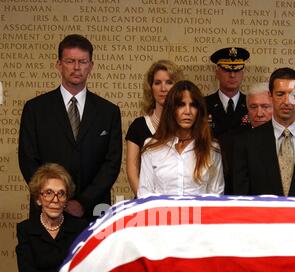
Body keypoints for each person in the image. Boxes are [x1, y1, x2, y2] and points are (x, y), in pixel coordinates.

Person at [18, 34, 122, 221]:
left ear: (91, 66)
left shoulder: (109, 111)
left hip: (94, 210)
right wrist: (54, 198)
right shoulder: (35, 109)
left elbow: (111, 163)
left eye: (82, 62)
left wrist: (83, 202)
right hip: (48, 210)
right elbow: (28, 159)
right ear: (59, 64)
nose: (76, 67)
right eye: (70, 61)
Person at [137, 80, 224, 198]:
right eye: (181, 105)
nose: (187, 111)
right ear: (171, 109)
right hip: (162, 215)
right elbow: (144, 195)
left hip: (199, 216)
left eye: (193, 105)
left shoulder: (212, 149)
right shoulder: (152, 147)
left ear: (199, 111)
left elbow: (215, 197)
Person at [233, 67, 295, 196]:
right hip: (261, 216)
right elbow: (241, 195)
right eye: (280, 94)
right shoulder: (246, 142)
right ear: (270, 96)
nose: (287, 101)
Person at [125, 60, 184, 195]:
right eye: (157, 83)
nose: (163, 88)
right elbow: (132, 171)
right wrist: (145, 203)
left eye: (169, 82)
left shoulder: (186, 125)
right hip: (146, 205)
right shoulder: (138, 126)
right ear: (150, 87)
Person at [205, 47, 250, 194]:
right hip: (211, 176)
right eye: (226, 70)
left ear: (242, 73)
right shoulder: (203, 105)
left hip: (245, 178)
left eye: (237, 70)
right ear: (217, 72)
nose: (232, 75)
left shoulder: (252, 105)